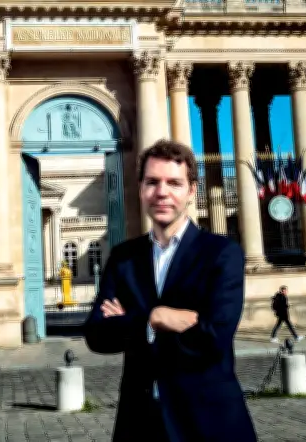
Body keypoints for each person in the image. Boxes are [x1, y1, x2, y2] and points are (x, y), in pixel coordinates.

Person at [83, 139, 257, 442]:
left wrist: (129, 324)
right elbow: (97, 334)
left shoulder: (221, 253)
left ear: (192, 191)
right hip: (139, 426)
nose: (162, 192)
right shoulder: (123, 257)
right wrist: (154, 319)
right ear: (140, 189)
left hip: (207, 423)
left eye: (174, 183)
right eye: (152, 182)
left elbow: (213, 338)